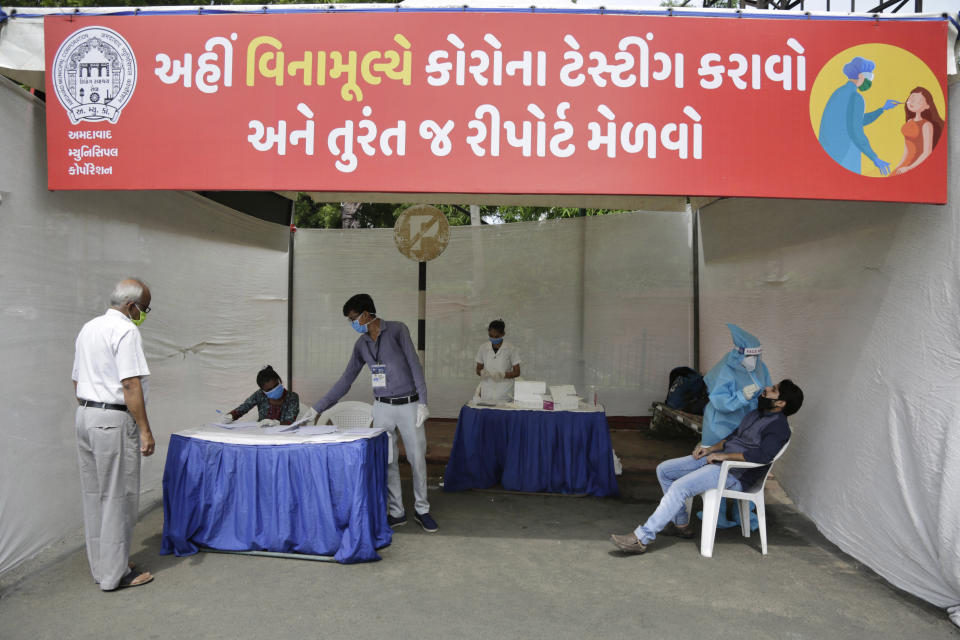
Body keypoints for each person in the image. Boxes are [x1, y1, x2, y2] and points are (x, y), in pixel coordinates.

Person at [610, 380, 804, 554]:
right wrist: (710, 449)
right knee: (665, 470)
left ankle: (641, 538)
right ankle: (681, 524)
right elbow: (732, 437)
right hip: (717, 460)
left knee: (680, 487)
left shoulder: (779, 428)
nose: (767, 389)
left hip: (735, 474)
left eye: (774, 390)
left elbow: (761, 456)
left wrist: (724, 456)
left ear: (780, 403)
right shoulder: (756, 414)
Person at [311, 294, 438, 533]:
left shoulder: (398, 330)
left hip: (409, 404)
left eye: (353, 318)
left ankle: (422, 509)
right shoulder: (361, 345)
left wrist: (423, 401)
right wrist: (317, 408)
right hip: (382, 406)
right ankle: (397, 511)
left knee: (417, 458)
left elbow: (414, 364)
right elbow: (346, 380)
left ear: (366, 314)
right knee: (387, 460)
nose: (353, 324)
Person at [72, 278, 156, 590]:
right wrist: (145, 430)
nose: (143, 315)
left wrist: (90, 409)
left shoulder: (89, 328)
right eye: (144, 309)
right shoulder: (126, 330)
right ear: (131, 306)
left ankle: (105, 564)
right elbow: (130, 384)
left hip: (86, 414)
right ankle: (115, 574)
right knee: (118, 497)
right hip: (112, 420)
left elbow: (76, 379)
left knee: (94, 496)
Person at [701, 323, 773, 529]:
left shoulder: (760, 366)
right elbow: (719, 402)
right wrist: (742, 395)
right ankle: (717, 516)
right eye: (750, 357)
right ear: (739, 354)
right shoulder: (725, 369)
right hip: (720, 427)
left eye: (757, 356)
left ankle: (744, 516)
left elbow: (766, 389)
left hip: (745, 426)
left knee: (743, 472)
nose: (754, 362)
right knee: (718, 471)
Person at [817, 56, 900, 175]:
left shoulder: (839, 92)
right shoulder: (856, 97)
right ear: (861, 76)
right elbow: (855, 130)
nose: (870, 81)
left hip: (829, 152)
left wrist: (882, 109)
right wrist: (874, 158)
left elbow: (854, 120)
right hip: (845, 154)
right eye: (870, 76)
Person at [220, 365, 300, 426]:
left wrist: (277, 423)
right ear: (263, 391)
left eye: (276, 386)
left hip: (283, 437)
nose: (274, 390)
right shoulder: (260, 395)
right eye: (269, 390)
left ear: (279, 381)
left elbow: (290, 421)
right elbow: (243, 408)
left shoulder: (292, 397)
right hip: (261, 435)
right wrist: (230, 416)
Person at [893, 86, 944, 176]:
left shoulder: (926, 125)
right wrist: (900, 165)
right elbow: (907, 149)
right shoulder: (909, 122)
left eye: (918, 100)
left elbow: (927, 152)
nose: (912, 102)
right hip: (907, 162)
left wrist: (909, 168)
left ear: (927, 106)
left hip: (918, 162)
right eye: (911, 98)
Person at [475, 319, 522, 403]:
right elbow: (478, 369)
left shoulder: (511, 349)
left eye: (496, 336)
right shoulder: (483, 348)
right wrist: (481, 372)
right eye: (491, 335)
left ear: (503, 334)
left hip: (504, 392)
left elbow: (517, 372)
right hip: (487, 390)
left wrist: (503, 375)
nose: (493, 338)